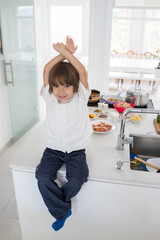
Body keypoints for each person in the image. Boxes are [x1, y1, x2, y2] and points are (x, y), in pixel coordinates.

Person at [35, 36, 92, 231]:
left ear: (75, 86)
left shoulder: (81, 95)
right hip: (53, 148)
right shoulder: (49, 97)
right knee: (42, 177)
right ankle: (63, 210)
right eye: (57, 85)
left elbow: (81, 70)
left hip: (76, 149)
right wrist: (62, 54)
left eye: (66, 85)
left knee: (78, 177)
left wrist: (68, 54)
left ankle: (61, 203)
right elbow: (46, 70)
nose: (61, 90)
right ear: (51, 87)